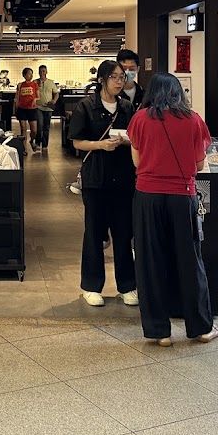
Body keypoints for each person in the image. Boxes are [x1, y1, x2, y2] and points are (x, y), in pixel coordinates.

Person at [128, 72, 218, 346]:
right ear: (179, 93)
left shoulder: (140, 119)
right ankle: (201, 327)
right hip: (183, 195)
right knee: (190, 259)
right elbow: (199, 164)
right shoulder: (193, 120)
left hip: (148, 196)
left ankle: (159, 332)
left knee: (150, 260)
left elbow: (136, 160)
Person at [68, 59, 137, 307]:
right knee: (94, 232)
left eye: (123, 77)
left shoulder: (127, 107)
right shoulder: (86, 107)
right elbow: (77, 142)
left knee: (123, 232)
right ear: (102, 80)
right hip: (96, 177)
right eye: (115, 77)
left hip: (123, 177)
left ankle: (127, 286)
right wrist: (100, 145)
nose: (120, 82)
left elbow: (135, 137)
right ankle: (91, 286)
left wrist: (126, 142)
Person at [34, 65, 59, 152]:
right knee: (39, 126)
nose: (42, 73)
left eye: (44, 71)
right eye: (40, 71)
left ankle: (45, 145)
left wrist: (54, 101)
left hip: (48, 108)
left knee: (46, 127)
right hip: (38, 107)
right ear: (38, 72)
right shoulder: (35, 82)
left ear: (46, 72)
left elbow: (56, 93)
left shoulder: (51, 82)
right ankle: (37, 143)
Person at [14, 68, 40, 152]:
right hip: (22, 109)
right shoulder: (20, 85)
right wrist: (15, 108)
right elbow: (17, 98)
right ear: (24, 75)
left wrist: (35, 100)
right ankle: (23, 149)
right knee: (23, 129)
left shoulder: (35, 84)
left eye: (32, 73)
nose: (31, 75)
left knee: (34, 130)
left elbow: (38, 96)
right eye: (29, 74)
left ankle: (32, 141)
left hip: (32, 109)